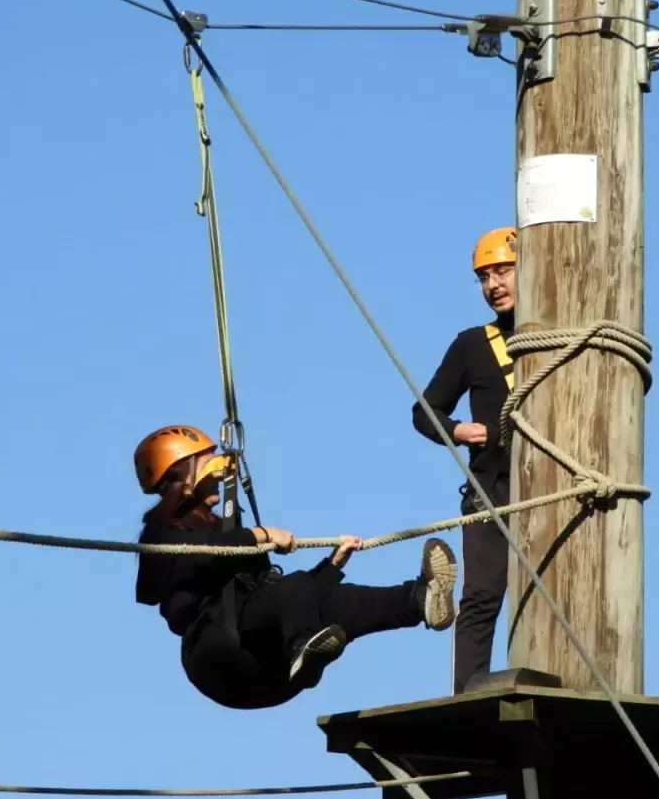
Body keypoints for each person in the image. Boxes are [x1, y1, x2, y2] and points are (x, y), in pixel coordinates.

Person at [133, 424, 459, 710]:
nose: (218, 474)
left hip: (267, 664)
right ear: (183, 474)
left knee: (328, 597)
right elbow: (187, 562)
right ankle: (305, 647)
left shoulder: (222, 529)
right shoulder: (160, 531)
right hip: (215, 651)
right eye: (208, 464)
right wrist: (258, 535)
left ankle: (419, 599)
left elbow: (268, 592)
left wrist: (331, 566)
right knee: (297, 587)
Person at [412, 227, 517, 695]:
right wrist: (455, 430)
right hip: (493, 486)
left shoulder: (564, 338)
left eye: (503, 271)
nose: (493, 285)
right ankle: (466, 695)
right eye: (484, 277)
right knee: (482, 595)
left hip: (554, 483)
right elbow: (424, 411)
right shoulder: (475, 344)